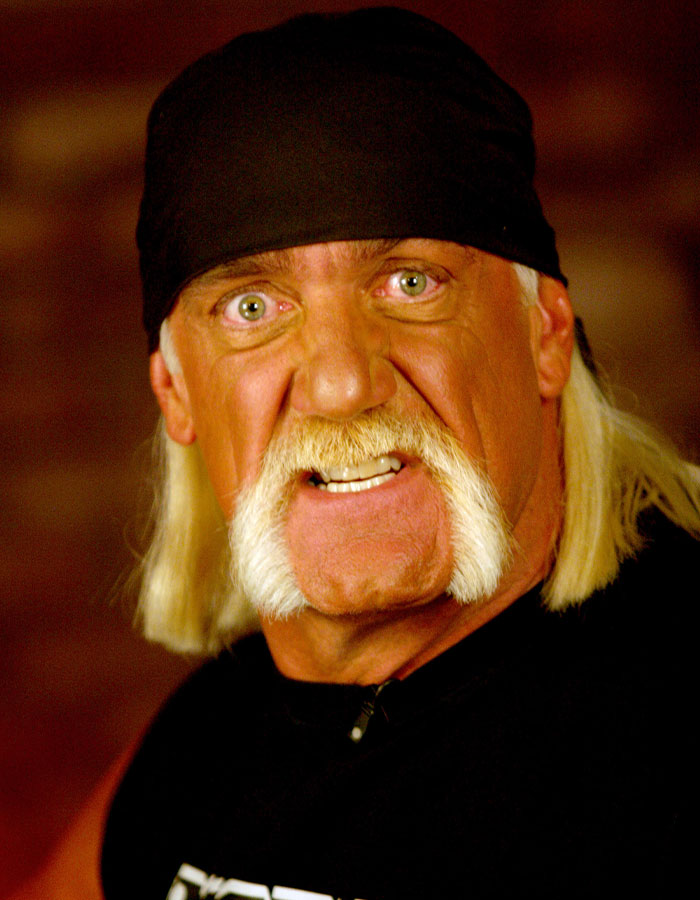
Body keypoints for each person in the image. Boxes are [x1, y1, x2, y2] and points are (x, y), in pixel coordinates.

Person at [16, 7, 700, 899]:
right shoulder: (207, 740)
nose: (342, 383)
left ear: (545, 335)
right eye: (252, 308)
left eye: (410, 283)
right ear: (176, 392)